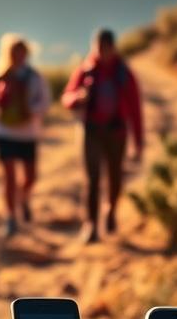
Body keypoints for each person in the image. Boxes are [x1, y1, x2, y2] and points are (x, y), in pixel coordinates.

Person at [61, 28, 143, 244]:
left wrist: (138, 142)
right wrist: (78, 98)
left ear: (112, 48)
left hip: (117, 132)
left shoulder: (124, 74)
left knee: (115, 176)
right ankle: (91, 225)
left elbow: (135, 109)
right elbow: (66, 98)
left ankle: (111, 211)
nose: (102, 53)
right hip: (91, 131)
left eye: (106, 49)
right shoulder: (85, 70)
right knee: (92, 179)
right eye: (99, 49)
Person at [0, 34, 51, 237]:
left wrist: (33, 111)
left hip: (28, 135)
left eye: (21, 52)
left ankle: (23, 198)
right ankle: (11, 217)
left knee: (30, 177)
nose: (18, 56)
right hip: (4, 134)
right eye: (14, 52)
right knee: (8, 178)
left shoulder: (35, 77)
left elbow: (45, 102)